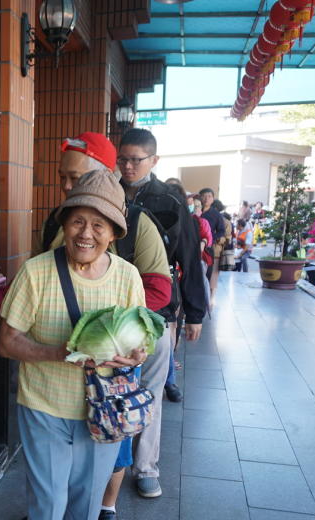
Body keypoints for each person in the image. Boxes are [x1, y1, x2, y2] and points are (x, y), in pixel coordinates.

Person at [0, 170, 147, 520]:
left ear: (114, 232)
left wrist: (134, 354)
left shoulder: (126, 277)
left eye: (98, 225)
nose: (86, 233)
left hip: (102, 414)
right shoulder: (37, 271)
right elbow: (7, 342)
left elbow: (141, 342)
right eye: (77, 221)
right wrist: (57, 353)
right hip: (45, 406)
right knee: (48, 500)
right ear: (64, 223)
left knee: (85, 505)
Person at [38, 131, 166, 520]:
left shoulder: (139, 223)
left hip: (121, 350)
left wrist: (116, 324)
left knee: (116, 432)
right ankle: (63, 516)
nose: (67, 189)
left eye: (76, 178)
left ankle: (105, 511)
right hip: (67, 364)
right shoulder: (56, 223)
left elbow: (160, 291)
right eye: (63, 179)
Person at [118, 128, 206, 500]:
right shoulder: (107, 192)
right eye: (122, 158)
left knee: (150, 392)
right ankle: (110, 463)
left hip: (157, 311)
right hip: (112, 310)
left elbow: (188, 254)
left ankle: (145, 466)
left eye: (136, 159)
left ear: (154, 161)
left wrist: (196, 313)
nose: (127, 166)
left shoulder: (170, 200)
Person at [199, 188, 225, 303]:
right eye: (204, 196)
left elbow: (221, 231)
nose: (206, 199)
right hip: (193, 246)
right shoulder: (194, 212)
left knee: (207, 273)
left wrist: (210, 239)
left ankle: (205, 299)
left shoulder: (216, 215)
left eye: (209, 196)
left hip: (208, 248)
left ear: (213, 198)